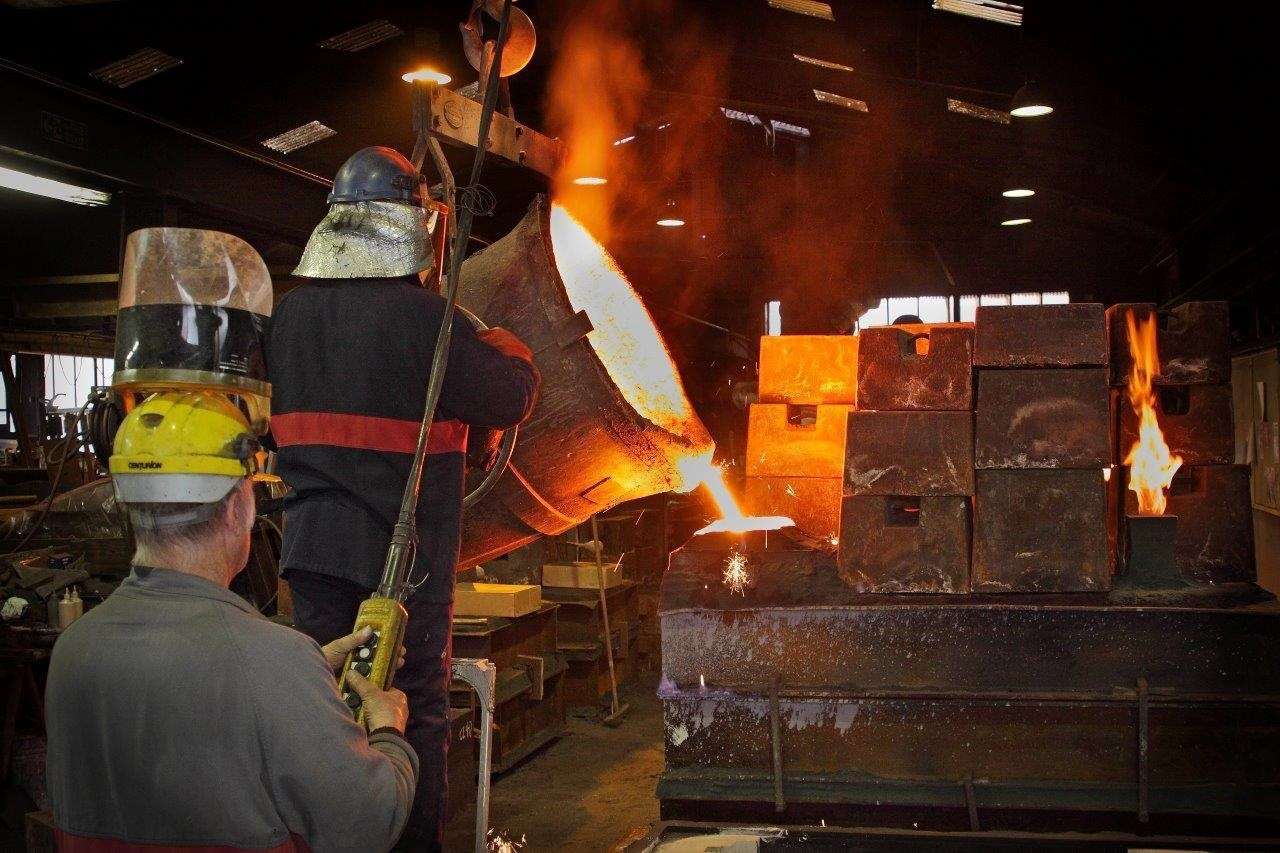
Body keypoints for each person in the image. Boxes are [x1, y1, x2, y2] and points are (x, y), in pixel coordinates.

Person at [267, 146, 539, 849]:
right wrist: (511, 345)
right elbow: (508, 395)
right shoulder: (427, 321)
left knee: (323, 707)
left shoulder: (288, 319)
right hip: (402, 564)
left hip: (313, 551)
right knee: (408, 710)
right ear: (411, 225)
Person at [44, 391, 418, 852]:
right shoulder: (272, 662)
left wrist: (307, 673)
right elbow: (366, 826)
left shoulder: (73, 649)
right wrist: (387, 730)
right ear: (237, 509)